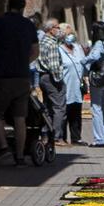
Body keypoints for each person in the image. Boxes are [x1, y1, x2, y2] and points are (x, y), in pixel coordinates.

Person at [0, 0, 39, 166]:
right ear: (22, 8)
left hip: (1, 76)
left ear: (8, 6)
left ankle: (4, 146)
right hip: (22, 77)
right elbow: (35, 51)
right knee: (20, 117)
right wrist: (22, 62)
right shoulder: (28, 25)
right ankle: (20, 157)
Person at [35, 17, 67, 153]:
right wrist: (59, 81)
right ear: (50, 29)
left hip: (43, 77)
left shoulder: (43, 41)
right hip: (52, 77)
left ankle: (45, 133)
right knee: (59, 107)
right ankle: (56, 136)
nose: (59, 30)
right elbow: (54, 66)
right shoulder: (52, 44)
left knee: (47, 107)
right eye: (57, 28)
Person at [83, 24, 104, 146]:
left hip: (98, 79)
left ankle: (99, 138)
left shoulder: (98, 44)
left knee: (96, 108)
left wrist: (83, 61)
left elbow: (95, 56)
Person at [57, 26, 85, 145]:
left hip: (78, 85)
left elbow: (84, 62)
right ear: (63, 37)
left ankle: (76, 138)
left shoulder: (78, 48)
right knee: (64, 112)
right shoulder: (59, 49)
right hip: (65, 85)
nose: (71, 36)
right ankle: (61, 137)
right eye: (68, 34)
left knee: (76, 112)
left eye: (72, 34)